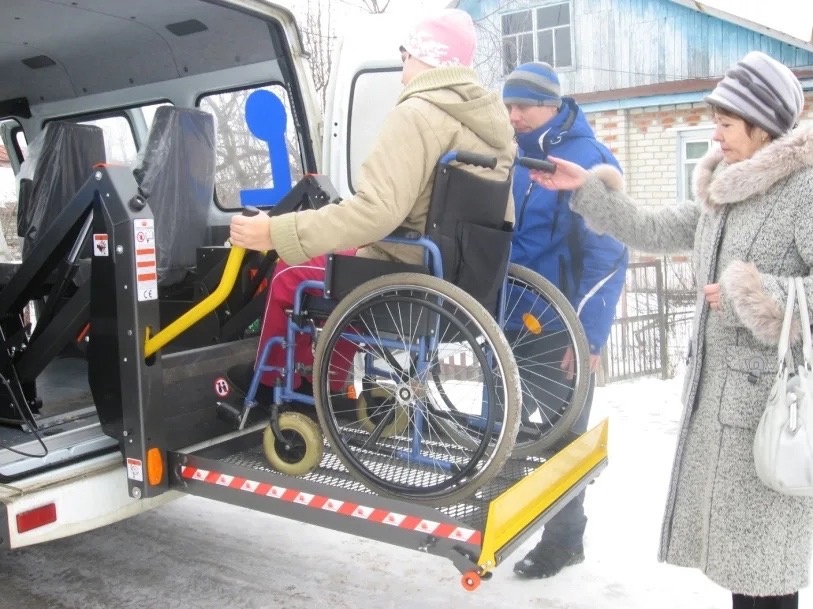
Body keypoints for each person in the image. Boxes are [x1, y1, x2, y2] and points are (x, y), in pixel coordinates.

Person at [527, 51, 812, 609]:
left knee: (770, 575)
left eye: (727, 123)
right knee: (745, 574)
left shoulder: (803, 192)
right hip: (726, 415)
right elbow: (654, 228)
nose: (716, 134)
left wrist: (754, 295)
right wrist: (586, 189)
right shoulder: (727, 189)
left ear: (763, 125)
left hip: (775, 415)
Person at [228, 9, 515, 394]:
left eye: (405, 57)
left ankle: (272, 386)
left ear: (424, 57)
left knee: (287, 271)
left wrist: (277, 231)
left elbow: (377, 212)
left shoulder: (417, 114)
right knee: (345, 259)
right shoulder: (496, 133)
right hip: (467, 278)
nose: (402, 72)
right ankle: (328, 384)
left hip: (410, 273)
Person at [502, 62, 628, 580]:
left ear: (553, 104)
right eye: (508, 106)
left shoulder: (588, 160)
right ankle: (507, 523)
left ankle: (563, 542)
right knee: (504, 433)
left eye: (523, 106)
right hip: (509, 318)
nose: (513, 115)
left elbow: (608, 257)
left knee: (563, 439)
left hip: (560, 328)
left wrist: (588, 335)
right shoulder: (514, 153)